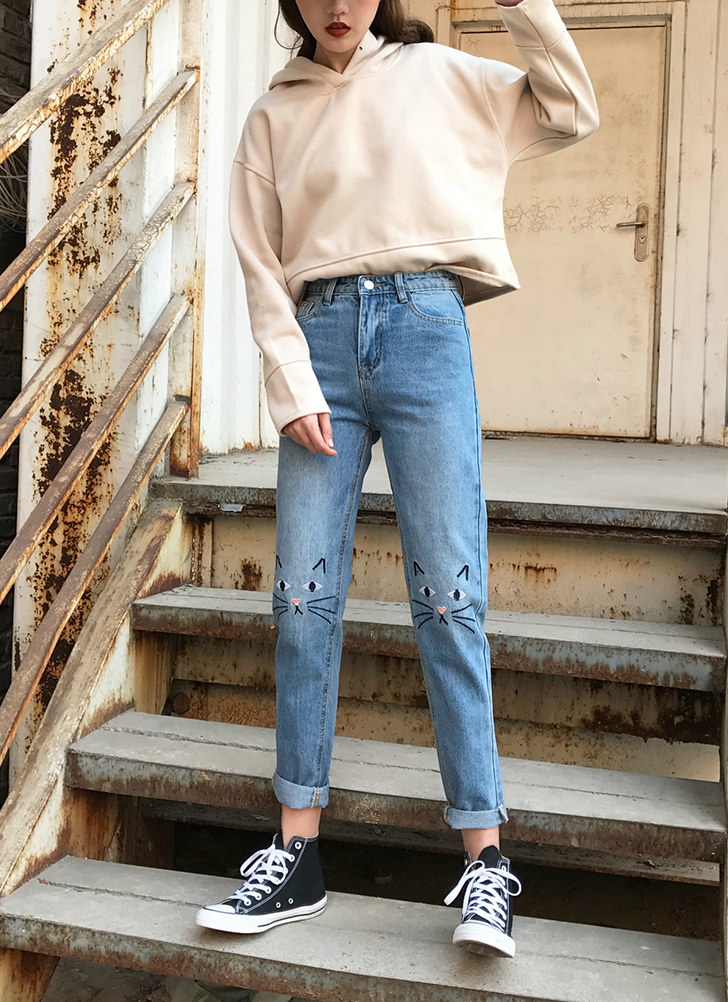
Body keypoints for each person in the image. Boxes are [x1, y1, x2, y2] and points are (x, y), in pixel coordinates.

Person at [195, 0, 598, 959]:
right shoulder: (273, 113)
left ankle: (486, 861)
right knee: (301, 598)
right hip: (320, 342)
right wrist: (289, 378)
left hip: (425, 330)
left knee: (450, 598)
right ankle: (296, 852)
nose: (339, 6)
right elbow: (258, 260)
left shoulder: (442, 76)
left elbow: (571, 108)